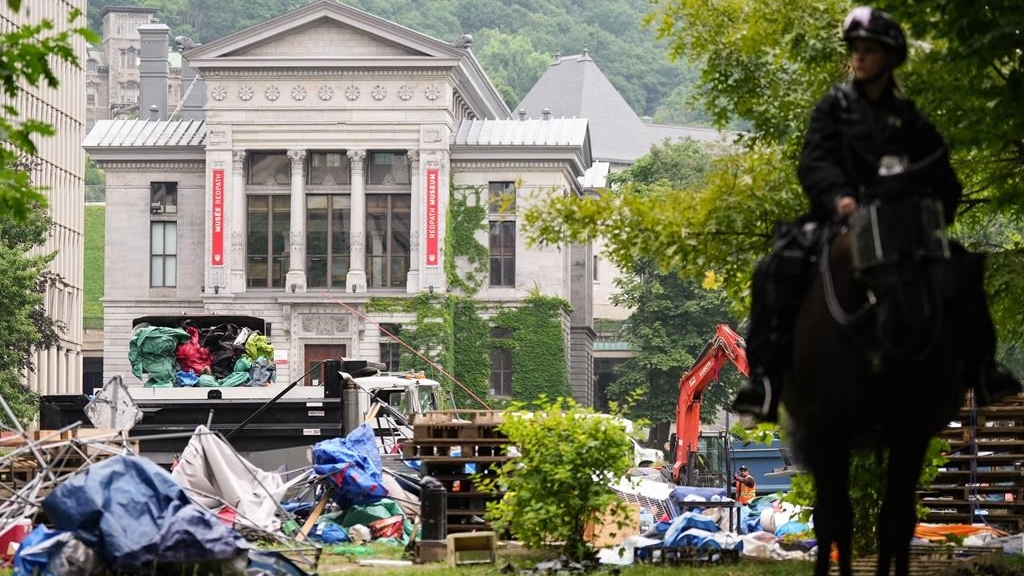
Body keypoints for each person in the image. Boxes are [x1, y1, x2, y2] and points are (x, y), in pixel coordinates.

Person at [731, 6, 1021, 422]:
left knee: (961, 269)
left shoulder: (910, 119)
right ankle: (764, 380)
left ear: (889, 57)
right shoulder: (833, 107)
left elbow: (944, 177)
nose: (860, 57)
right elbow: (813, 161)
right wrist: (840, 197)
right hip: (839, 220)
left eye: (869, 50)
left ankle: (982, 370)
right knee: (774, 269)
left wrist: (928, 203)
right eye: (856, 50)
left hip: (903, 227)